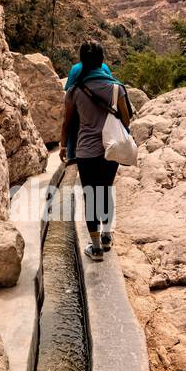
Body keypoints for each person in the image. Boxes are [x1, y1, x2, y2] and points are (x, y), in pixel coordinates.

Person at [62, 39, 133, 262]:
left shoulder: (74, 91)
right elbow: (127, 119)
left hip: (85, 152)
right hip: (110, 149)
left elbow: (68, 121)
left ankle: (95, 248)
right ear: (102, 61)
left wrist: (64, 145)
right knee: (106, 191)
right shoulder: (116, 88)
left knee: (90, 195)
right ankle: (107, 235)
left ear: (82, 62)